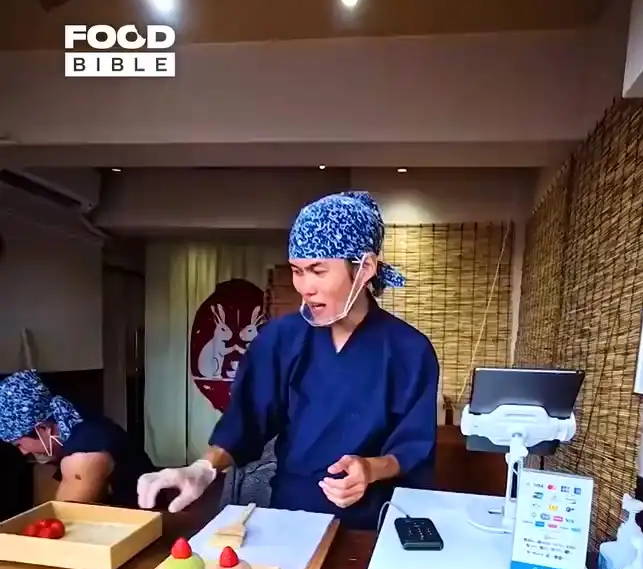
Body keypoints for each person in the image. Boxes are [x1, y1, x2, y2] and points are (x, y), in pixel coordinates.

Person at [138, 191, 440, 530]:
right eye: (297, 271)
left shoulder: (410, 351)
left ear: (365, 269)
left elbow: (413, 448)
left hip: (371, 520)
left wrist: (370, 469)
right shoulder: (282, 338)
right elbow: (247, 418)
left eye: (318, 270)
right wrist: (203, 469)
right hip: (291, 515)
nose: (305, 288)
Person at [0, 369, 154, 508]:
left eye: (19, 444)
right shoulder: (80, 424)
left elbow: (65, 520)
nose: (23, 452)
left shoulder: (84, 456)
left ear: (42, 429)